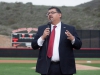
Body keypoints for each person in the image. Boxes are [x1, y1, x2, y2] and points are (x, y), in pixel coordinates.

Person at [31, 6, 82, 75]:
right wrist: (42, 37)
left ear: (59, 15)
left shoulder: (70, 28)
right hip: (47, 67)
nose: (50, 14)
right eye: (48, 13)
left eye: (52, 12)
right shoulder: (42, 29)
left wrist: (72, 39)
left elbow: (78, 45)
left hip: (64, 68)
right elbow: (34, 46)